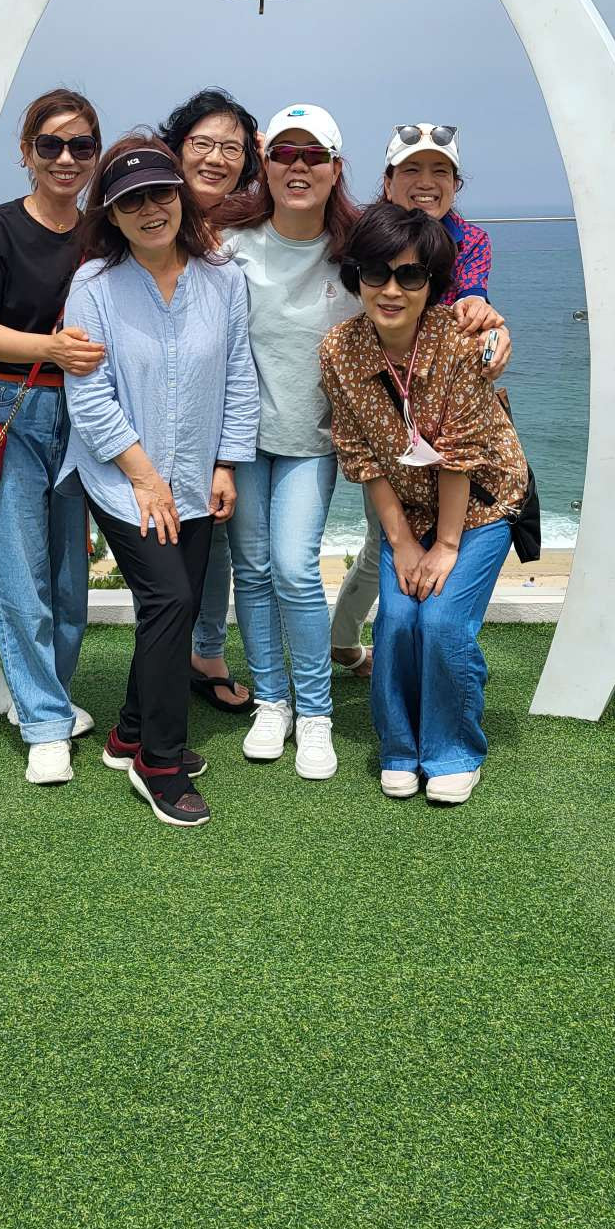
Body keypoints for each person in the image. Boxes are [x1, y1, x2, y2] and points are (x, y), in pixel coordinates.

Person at [61, 135, 259, 829]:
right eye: (131, 202)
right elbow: (89, 398)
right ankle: (160, 762)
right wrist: (145, 479)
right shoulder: (93, 287)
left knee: (174, 605)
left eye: (161, 195)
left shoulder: (223, 279)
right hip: (123, 480)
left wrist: (226, 464)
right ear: (111, 216)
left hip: (198, 475)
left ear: (181, 198)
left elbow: (238, 375)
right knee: (171, 599)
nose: (151, 210)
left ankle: (130, 732)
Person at [319, 202, 527, 804]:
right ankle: (400, 747)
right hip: (406, 510)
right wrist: (404, 542)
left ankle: (453, 749)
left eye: (410, 276)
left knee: (440, 621)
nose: (391, 290)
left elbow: (461, 454)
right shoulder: (339, 350)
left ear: (433, 283)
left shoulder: (459, 344)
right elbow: (361, 454)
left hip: (481, 505)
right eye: (376, 273)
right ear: (355, 276)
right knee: (397, 620)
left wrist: (446, 545)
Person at [0, 88, 104, 785]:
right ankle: (45, 722)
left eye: (81, 145)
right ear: (27, 153)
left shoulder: (102, 231)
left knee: (70, 577)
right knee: (18, 570)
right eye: (51, 145)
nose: (66, 158)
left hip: (84, 410)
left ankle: (47, 696)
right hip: (6, 407)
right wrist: (50, 347)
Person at [330, 121, 512, 680]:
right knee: (386, 539)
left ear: (457, 184)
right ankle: (346, 639)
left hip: (447, 408)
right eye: (411, 169)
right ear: (387, 181)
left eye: (441, 171)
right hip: (377, 406)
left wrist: (493, 332)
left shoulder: (469, 240)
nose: (426, 181)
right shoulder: (366, 233)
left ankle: (391, 642)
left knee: (422, 553)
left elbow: (473, 305)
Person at [221, 104, 361, 780]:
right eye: (284, 154)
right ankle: (270, 701)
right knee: (251, 570)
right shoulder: (230, 244)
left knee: (294, 569)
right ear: (265, 163)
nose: (298, 167)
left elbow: (422, 288)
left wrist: (483, 317)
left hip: (313, 439)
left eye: (313, 155)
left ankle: (315, 713)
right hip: (242, 440)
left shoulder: (358, 253)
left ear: (336, 168)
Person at [159, 87, 264, 713]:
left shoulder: (248, 222)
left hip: (220, 413)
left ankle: (206, 652)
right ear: (177, 147)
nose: (216, 158)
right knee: (159, 540)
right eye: (202, 143)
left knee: (214, 538)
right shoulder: (147, 208)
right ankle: (167, 657)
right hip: (151, 409)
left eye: (232, 148)